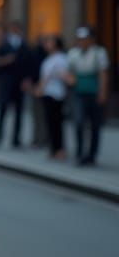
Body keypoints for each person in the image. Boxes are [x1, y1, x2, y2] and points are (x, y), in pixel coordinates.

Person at [67, 26, 110, 166]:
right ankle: (80, 152)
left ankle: (92, 154)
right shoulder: (73, 53)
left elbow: (103, 74)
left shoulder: (99, 52)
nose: (82, 42)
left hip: (94, 91)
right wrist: (70, 79)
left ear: (91, 40)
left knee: (95, 124)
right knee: (79, 122)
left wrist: (102, 92)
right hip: (79, 92)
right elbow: (69, 71)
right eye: (80, 39)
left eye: (85, 39)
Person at [0, 19, 31, 147]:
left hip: (19, 83)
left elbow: (28, 65)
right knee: (2, 110)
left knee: (19, 111)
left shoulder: (24, 46)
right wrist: (5, 60)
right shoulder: (3, 45)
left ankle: (16, 139)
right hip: (5, 82)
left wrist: (27, 79)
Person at [36, 35, 71, 161]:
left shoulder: (61, 59)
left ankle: (60, 149)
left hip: (57, 94)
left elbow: (65, 76)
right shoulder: (48, 59)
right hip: (47, 93)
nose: (47, 44)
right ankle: (53, 148)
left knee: (57, 123)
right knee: (50, 123)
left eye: (50, 42)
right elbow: (44, 77)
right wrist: (40, 88)